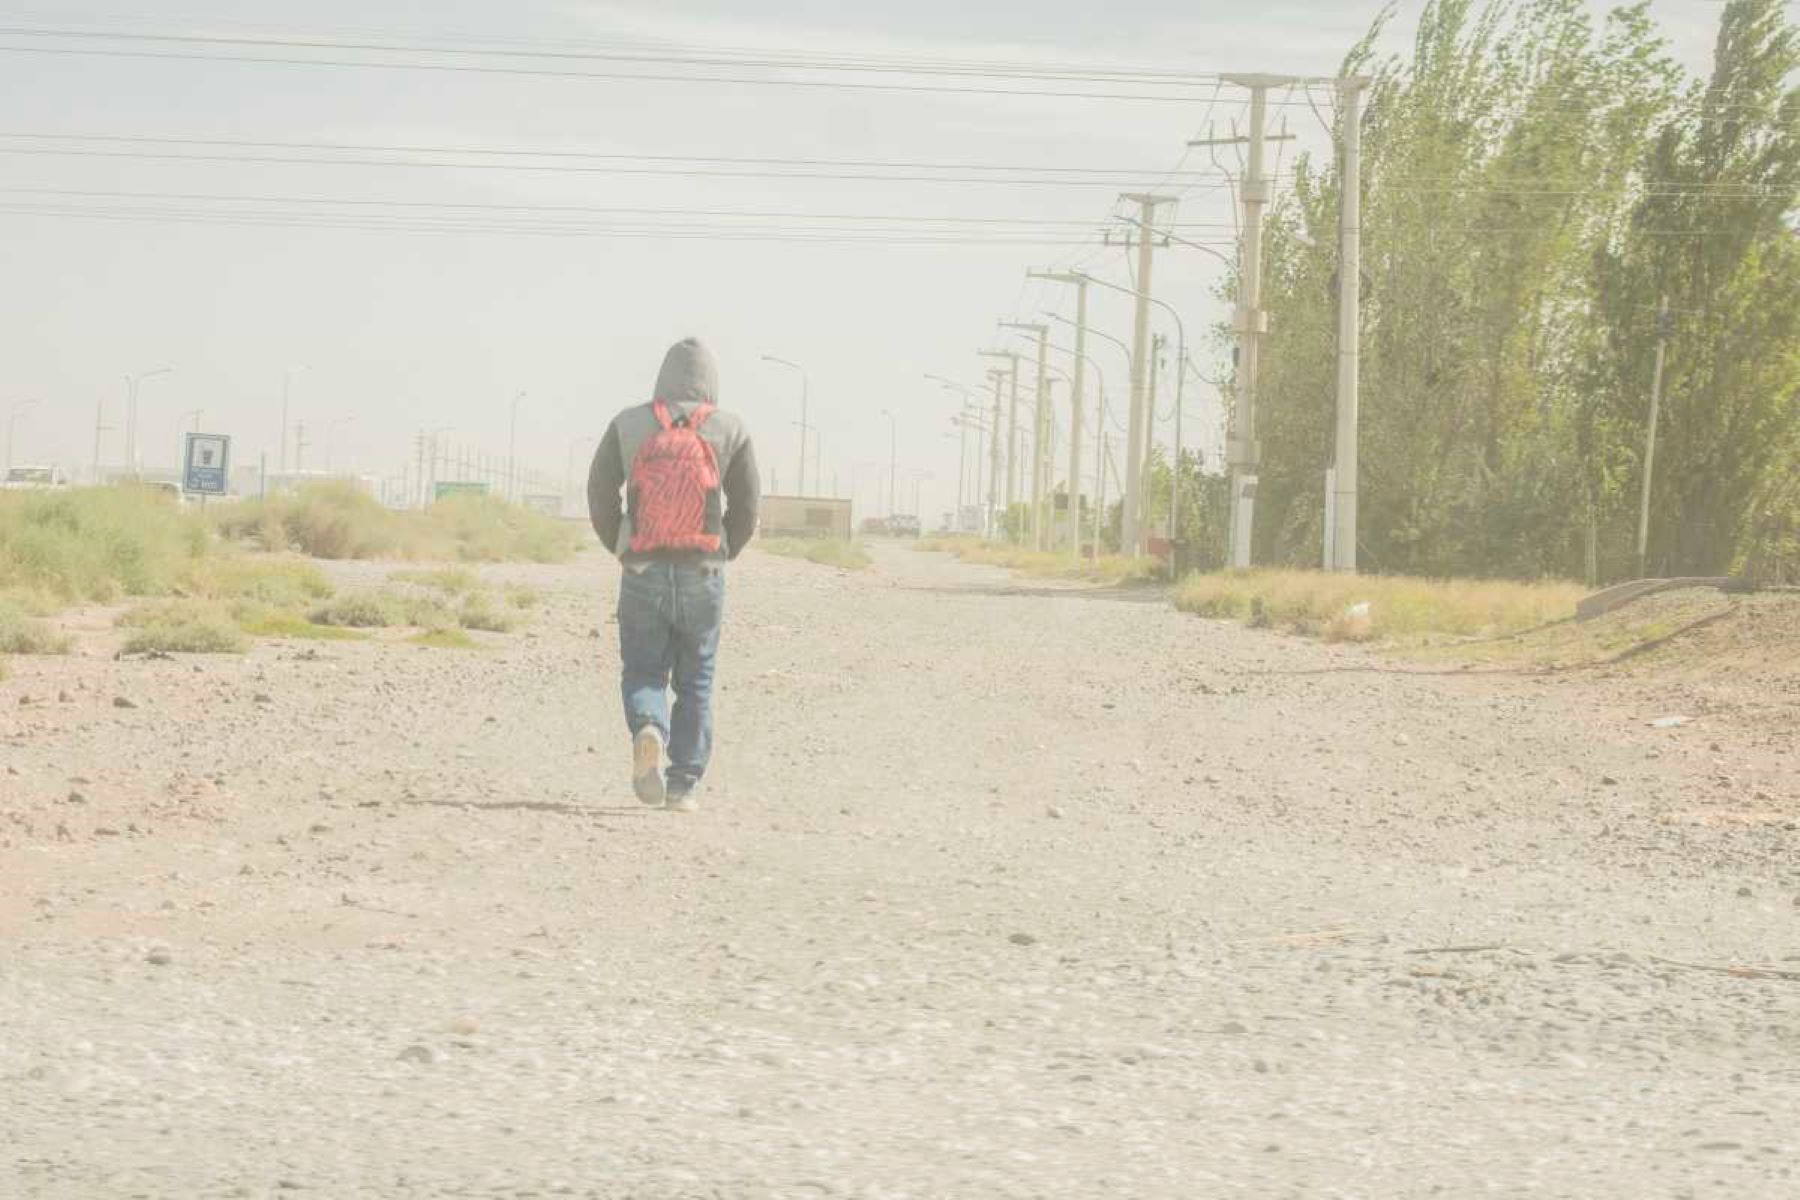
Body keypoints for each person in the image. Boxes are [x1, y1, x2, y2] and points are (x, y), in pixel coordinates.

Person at [587, 338, 760, 812]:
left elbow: (599, 493)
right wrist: (722, 549)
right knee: (697, 677)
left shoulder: (628, 423)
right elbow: (746, 508)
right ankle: (682, 784)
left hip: (642, 563)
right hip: (703, 568)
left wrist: (623, 545)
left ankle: (648, 727)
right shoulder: (730, 427)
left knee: (644, 667)